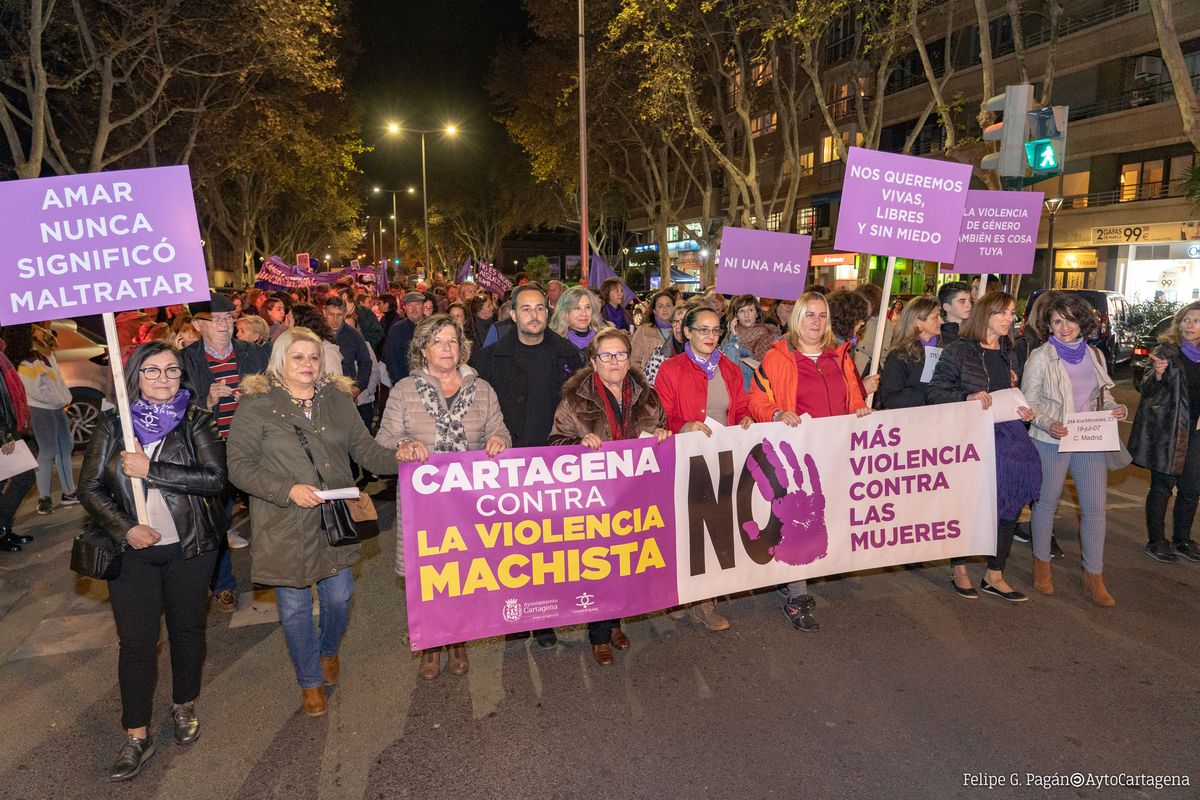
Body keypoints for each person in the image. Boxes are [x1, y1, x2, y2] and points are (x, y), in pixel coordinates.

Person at [227, 328, 400, 716]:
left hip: (334, 518)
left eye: (314, 357)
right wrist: (287, 488)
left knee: (339, 596)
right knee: (295, 609)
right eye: (298, 357)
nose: (307, 364)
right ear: (280, 361)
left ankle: (328, 651)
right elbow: (238, 467)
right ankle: (310, 681)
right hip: (284, 523)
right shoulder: (257, 405)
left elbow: (368, 452)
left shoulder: (337, 400)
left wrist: (403, 455)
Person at [77, 342, 228, 781]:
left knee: (187, 632)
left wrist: (152, 471)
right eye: (152, 371)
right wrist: (125, 528)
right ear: (134, 377)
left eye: (172, 371)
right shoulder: (111, 424)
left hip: (190, 549)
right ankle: (136, 735)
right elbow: (89, 489)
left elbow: (216, 479)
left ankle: (184, 705)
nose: (163, 379)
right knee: (137, 644)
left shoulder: (196, 420)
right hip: (133, 554)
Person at [376, 315, 510, 679]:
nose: (447, 348)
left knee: (466, 572)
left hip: (470, 504)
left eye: (452, 341)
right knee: (427, 576)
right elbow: (383, 440)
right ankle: (431, 645)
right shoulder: (404, 390)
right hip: (424, 506)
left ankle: (458, 640)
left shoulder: (482, 389)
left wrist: (499, 440)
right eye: (439, 342)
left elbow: (500, 430)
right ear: (423, 350)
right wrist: (403, 444)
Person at [747, 292, 874, 632]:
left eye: (821, 316)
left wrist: (860, 407)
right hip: (798, 454)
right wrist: (775, 412)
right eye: (809, 315)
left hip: (834, 452)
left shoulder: (840, 355)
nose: (816, 322)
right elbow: (756, 399)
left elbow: (854, 392)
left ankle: (792, 580)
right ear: (796, 319)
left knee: (827, 516)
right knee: (803, 519)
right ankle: (797, 597)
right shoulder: (778, 356)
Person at [549, 328, 669, 665]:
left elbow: (663, 426)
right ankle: (599, 634)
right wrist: (578, 445)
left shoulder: (647, 395)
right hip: (594, 499)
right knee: (601, 565)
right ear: (592, 361)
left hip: (634, 497)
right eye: (606, 355)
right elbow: (555, 444)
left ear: (629, 358)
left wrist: (662, 433)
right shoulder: (575, 400)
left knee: (626, 563)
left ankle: (615, 621)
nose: (614, 362)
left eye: (620, 355)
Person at [473, 284, 578, 648]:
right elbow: (477, 410)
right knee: (511, 547)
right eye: (526, 309)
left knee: (548, 548)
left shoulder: (566, 354)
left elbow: (577, 408)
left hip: (552, 465)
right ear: (513, 314)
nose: (534, 315)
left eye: (540, 308)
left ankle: (544, 618)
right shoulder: (489, 358)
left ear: (547, 313)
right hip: (506, 464)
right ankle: (513, 614)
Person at [928, 291, 1040, 602]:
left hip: (1007, 437)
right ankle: (959, 568)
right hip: (969, 440)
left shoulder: (1009, 351)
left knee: (1009, 503)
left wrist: (1024, 411)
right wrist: (967, 398)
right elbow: (935, 393)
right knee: (970, 507)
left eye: (1012, 313)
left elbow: (1011, 391)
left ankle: (995, 573)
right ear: (985, 316)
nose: (1009, 319)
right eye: (1002, 313)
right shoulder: (959, 351)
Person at [1021, 293, 1126, 605]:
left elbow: (1101, 396)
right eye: (1056, 320)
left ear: (1082, 321)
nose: (1063, 326)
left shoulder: (1094, 355)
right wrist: (1049, 423)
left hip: (1089, 438)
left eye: (1069, 318)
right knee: (1046, 504)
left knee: (1095, 508)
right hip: (1052, 438)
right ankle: (1042, 565)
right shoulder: (1041, 356)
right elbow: (1029, 402)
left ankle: (1094, 575)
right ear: (1048, 326)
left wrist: (1114, 407)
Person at [654, 306, 752, 632]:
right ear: (687, 333)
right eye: (703, 330)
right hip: (686, 461)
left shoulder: (731, 369)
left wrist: (747, 419)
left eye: (715, 331)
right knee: (687, 533)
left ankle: (705, 603)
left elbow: (740, 408)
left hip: (722, 460)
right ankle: (680, 595)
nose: (710, 337)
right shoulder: (670, 370)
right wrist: (684, 426)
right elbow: (660, 418)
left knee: (716, 532)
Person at [179, 295, 269, 607]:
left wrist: (256, 396)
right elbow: (176, 407)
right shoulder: (184, 360)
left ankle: (269, 572)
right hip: (213, 452)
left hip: (254, 447)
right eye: (216, 319)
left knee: (266, 513)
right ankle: (222, 583)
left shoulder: (253, 352)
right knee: (218, 521)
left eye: (229, 318)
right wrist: (206, 403)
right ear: (197, 325)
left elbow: (274, 391)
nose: (224, 324)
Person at [1128, 300, 1200, 564]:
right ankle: (1156, 541)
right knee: (1162, 487)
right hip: (1169, 430)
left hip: (1196, 430)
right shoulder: (1166, 351)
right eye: (1186, 320)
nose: (1190, 325)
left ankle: (1182, 539)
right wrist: (1157, 375)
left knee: (1192, 488)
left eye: (1196, 320)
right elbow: (1144, 387)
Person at [12, 324, 78, 514]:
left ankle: (68, 492)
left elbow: (56, 381)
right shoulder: (29, 357)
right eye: (42, 330)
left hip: (53, 406)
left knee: (65, 447)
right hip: (41, 408)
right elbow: (33, 388)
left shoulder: (46, 354)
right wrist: (60, 399)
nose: (46, 332)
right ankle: (44, 498)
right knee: (48, 450)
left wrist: (62, 399)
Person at [0, 329, 36, 552]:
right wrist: (5, 433)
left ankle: (4, 530)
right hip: (3, 434)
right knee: (24, 477)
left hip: (6, 430)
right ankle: (3, 530)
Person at [877, 295, 941, 409]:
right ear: (918, 322)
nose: (941, 321)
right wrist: (928, 395)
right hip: (911, 421)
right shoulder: (899, 355)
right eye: (936, 317)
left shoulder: (945, 350)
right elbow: (890, 398)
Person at [324, 297, 373, 418]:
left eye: (339, 315)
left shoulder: (354, 335)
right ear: (324, 312)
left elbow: (366, 362)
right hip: (321, 393)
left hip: (345, 393)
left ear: (345, 314)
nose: (335, 320)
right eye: (331, 315)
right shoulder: (317, 333)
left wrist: (358, 387)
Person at [721, 294, 777, 390]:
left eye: (750, 310)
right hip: (741, 391)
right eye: (741, 311)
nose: (746, 315)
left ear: (756, 313)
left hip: (765, 390)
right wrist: (734, 336)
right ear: (736, 316)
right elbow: (730, 367)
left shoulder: (771, 334)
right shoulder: (730, 339)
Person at [549, 285, 606, 366]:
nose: (584, 313)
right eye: (577, 308)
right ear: (565, 312)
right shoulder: (554, 343)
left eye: (588, 307)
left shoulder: (604, 339)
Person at [382, 292, 426, 385]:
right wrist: (401, 382)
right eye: (410, 305)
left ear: (423, 306)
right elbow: (391, 357)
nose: (414, 309)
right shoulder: (397, 329)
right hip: (405, 381)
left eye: (417, 304)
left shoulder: (433, 326)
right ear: (405, 308)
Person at [290, 304, 343, 378]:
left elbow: (335, 385)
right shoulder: (293, 348)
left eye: (289, 320)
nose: (285, 324)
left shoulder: (327, 352)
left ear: (299, 325)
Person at [642, 303, 687, 387]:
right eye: (675, 321)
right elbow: (648, 387)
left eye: (683, 322)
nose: (677, 326)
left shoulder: (701, 353)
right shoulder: (658, 354)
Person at [853, 283, 894, 375]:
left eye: (866, 302)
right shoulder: (854, 318)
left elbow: (883, 353)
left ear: (875, 303)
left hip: (866, 371)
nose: (862, 305)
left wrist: (857, 345)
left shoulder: (883, 323)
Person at [631, 290, 677, 369]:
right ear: (654, 311)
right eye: (660, 306)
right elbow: (634, 362)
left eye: (668, 305)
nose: (665, 309)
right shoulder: (643, 331)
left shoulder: (681, 330)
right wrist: (642, 380)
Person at [937, 281, 973, 345]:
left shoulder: (976, 330)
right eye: (962, 301)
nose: (969, 305)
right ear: (947, 307)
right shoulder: (937, 333)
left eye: (970, 300)